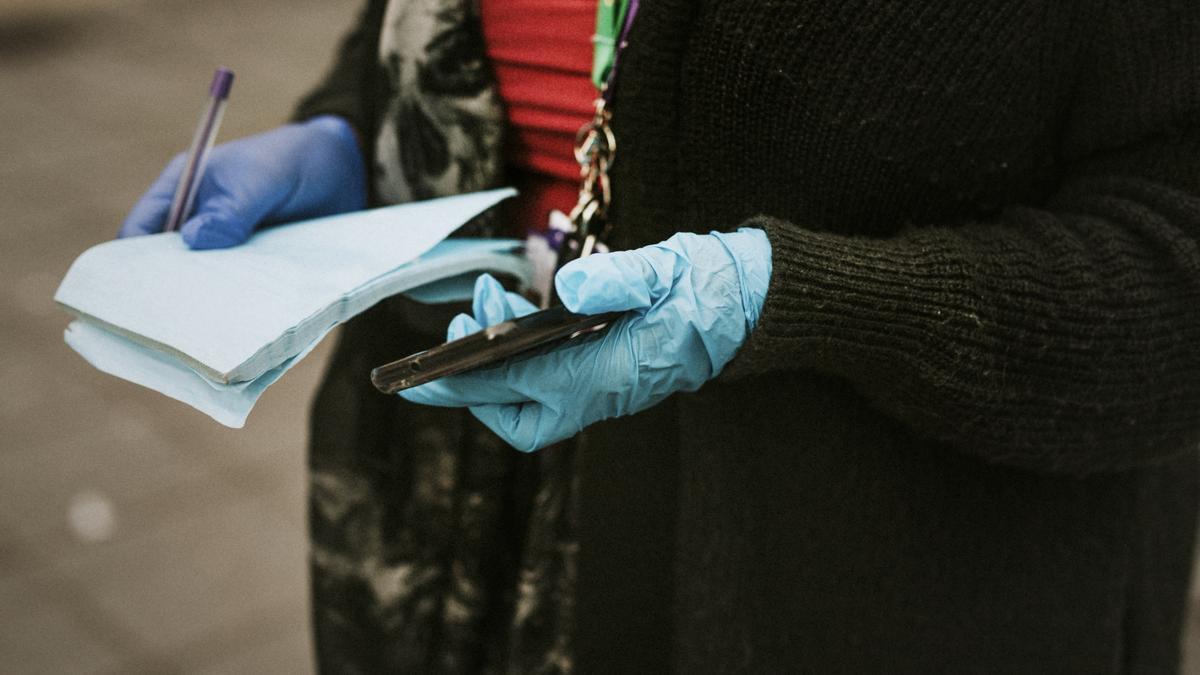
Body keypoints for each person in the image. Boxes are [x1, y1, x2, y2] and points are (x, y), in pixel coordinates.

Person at [119, 0, 1200, 672]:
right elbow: (426, 35)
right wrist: (353, 130)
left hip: (860, 598)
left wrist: (795, 300)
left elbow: (1171, 267)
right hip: (455, 567)